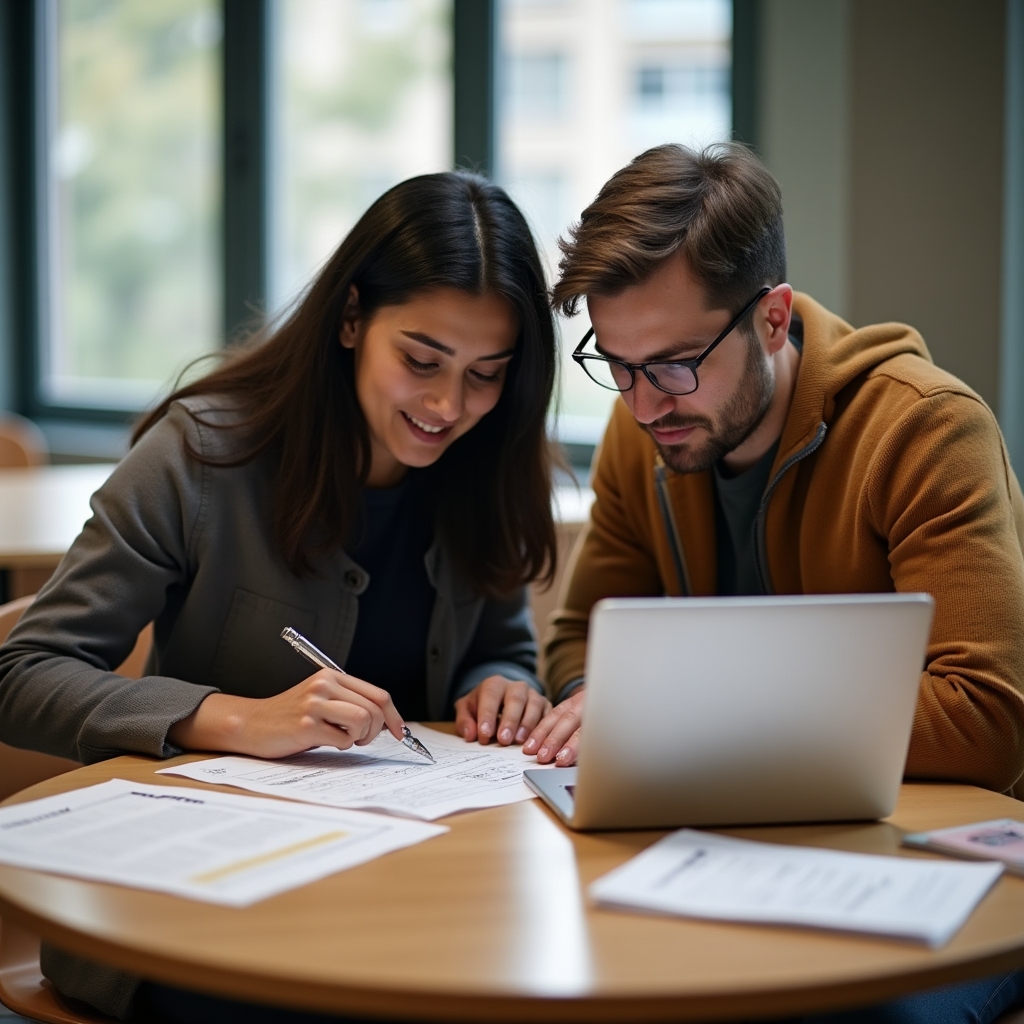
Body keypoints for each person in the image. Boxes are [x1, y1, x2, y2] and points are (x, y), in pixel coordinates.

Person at [0, 170, 558, 1021]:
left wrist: (505, 683)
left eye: (487, 374)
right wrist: (233, 718)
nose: (450, 405)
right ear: (349, 319)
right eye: (421, 360)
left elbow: (501, 640)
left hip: (425, 889)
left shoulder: (486, 467)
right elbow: (23, 673)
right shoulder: (200, 457)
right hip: (201, 907)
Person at [520, 142, 1024, 1024]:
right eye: (617, 364)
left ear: (774, 320)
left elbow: (988, 717)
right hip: (731, 851)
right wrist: (598, 696)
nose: (643, 406)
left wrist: (677, 712)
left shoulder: (925, 432)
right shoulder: (646, 434)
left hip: (940, 857)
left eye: (675, 364)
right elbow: (576, 643)